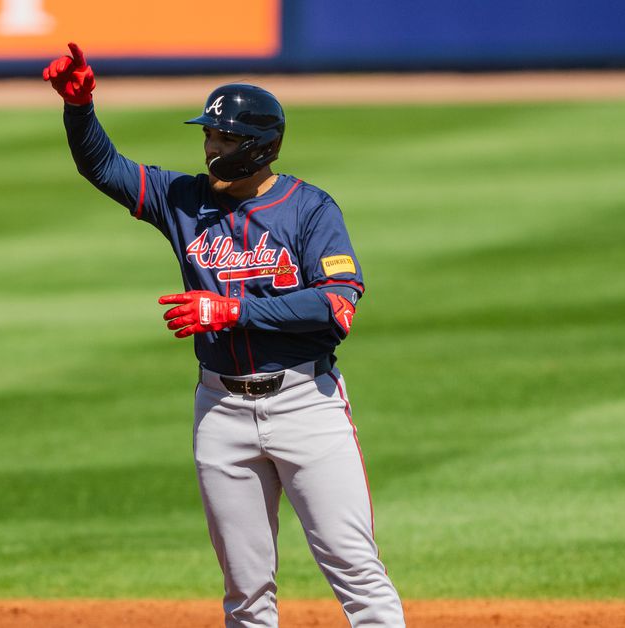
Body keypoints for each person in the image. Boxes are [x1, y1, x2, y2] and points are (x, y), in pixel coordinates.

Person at [44, 43, 406, 628]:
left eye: (226, 138)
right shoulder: (182, 200)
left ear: (261, 145)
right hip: (221, 410)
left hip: (306, 407)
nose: (212, 148)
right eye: (209, 136)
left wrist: (232, 311)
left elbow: (337, 305)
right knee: (245, 589)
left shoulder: (310, 210)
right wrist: (80, 107)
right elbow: (103, 167)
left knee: (354, 569)